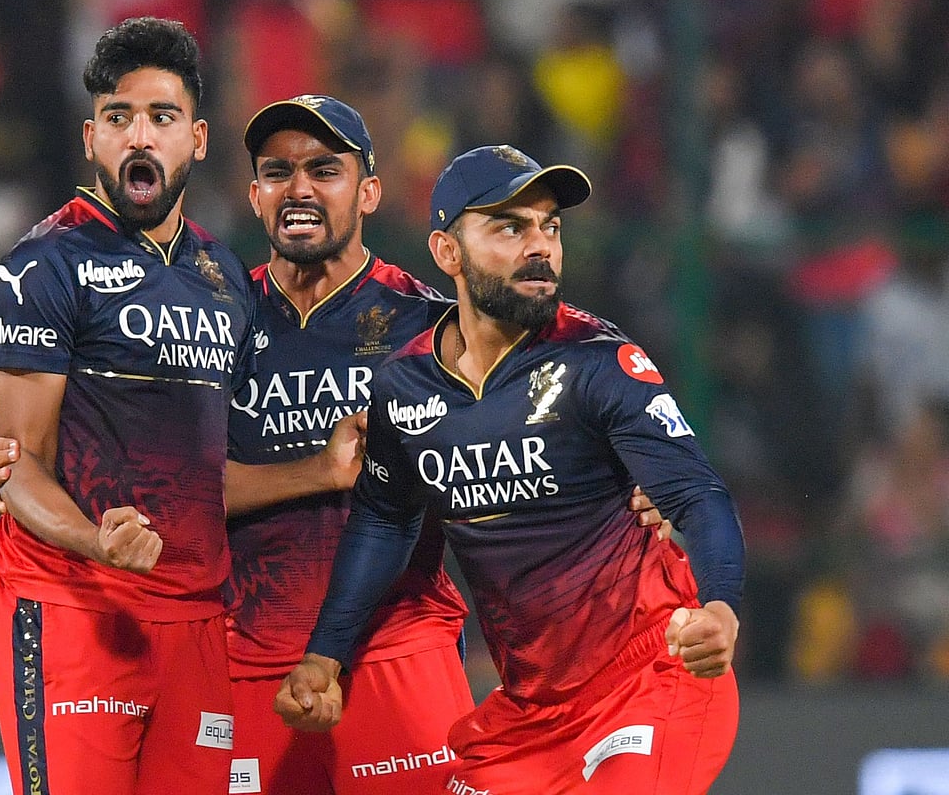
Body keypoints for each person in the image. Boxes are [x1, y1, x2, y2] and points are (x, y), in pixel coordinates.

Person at [0, 101, 674, 793]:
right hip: (244, 664)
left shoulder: (429, 324)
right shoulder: (212, 321)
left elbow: (557, 398)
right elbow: (169, 485)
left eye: (325, 170)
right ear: (255, 195)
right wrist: (20, 462)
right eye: (278, 172)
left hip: (395, 649)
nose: (299, 188)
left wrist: (635, 482)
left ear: (368, 191)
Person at [275, 145, 744, 795]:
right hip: (530, 713)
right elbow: (385, 522)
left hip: (649, 679)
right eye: (509, 226)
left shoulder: (598, 363)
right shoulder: (404, 387)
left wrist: (720, 605)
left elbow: (698, 494)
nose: (540, 245)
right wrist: (325, 656)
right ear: (447, 252)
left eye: (549, 226)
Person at [0, 17, 256, 795]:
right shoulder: (43, 267)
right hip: (76, 607)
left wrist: (333, 467)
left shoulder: (226, 276)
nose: (140, 136)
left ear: (196, 139)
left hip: (196, 621)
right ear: (92, 137)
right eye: (120, 118)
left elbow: (224, 468)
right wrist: (97, 541)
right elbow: (15, 468)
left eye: (162, 118)